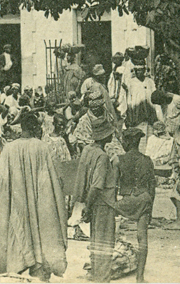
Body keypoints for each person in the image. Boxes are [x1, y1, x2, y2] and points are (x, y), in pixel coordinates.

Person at [0, 111, 68, 281]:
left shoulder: (9, 148)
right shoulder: (42, 147)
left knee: (18, 237)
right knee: (41, 237)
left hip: (17, 203)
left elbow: (0, 183)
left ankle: (17, 268)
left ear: (21, 128)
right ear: (36, 127)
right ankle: (39, 271)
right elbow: (51, 180)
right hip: (39, 203)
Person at [72, 116, 118, 282]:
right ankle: (102, 277)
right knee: (105, 242)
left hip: (92, 201)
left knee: (95, 240)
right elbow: (97, 186)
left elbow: (84, 179)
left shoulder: (87, 150)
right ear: (105, 136)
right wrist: (89, 207)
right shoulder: (103, 157)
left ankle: (94, 273)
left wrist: (86, 205)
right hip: (103, 203)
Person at [113, 128, 156, 283]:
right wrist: (150, 210)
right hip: (144, 199)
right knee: (142, 237)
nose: (122, 143)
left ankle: (107, 266)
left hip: (127, 200)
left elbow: (113, 186)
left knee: (108, 222)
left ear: (129, 142)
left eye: (123, 141)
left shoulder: (118, 160)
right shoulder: (147, 160)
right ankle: (140, 277)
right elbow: (152, 189)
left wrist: (113, 205)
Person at [123, 60, 157, 130]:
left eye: (141, 70)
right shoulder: (131, 82)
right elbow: (129, 97)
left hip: (149, 109)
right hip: (137, 110)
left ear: (144, 70)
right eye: (137, 70)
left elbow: (154, 95)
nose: (139, 72)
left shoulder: (149, 81)